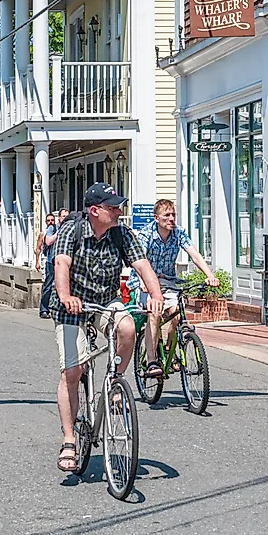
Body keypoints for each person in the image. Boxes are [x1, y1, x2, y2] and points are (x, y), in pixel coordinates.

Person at [51, 183, 164, 472]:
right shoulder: (72, 230)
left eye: (118, 206)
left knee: (126, 328)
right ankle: (69, 439)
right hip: (73, 305)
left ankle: (114, 382)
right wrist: (65, 296)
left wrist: (155, 296)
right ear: (94, 210)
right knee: (72, 372)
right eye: (112, 207)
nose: (118, 211)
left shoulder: (121, 233)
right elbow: (61, 264)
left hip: (105, 301)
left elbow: (142, 266)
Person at [130, 199, 218, 378]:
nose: (171, 219)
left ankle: (170, 351)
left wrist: (210, 275)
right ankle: (152, 360)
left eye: (173, 215)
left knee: (177, 312)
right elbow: (139, 260)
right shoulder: (146, 234)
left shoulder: (178, 233)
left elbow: (195, 255)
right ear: (156, 218)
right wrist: (142, 281)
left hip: (168, 281)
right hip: (145, 282)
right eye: (166, 215)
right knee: (154, 313)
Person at [34, 213, 58, 319]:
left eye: (52, 220)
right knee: (47, 286)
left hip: (57, 261)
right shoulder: (43, 234)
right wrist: (37, 262)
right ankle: (43, 309)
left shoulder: (58, 231)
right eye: (48, 220)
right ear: (45, 222)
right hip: (47, 261)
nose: (51, 222)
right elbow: (38, 248)